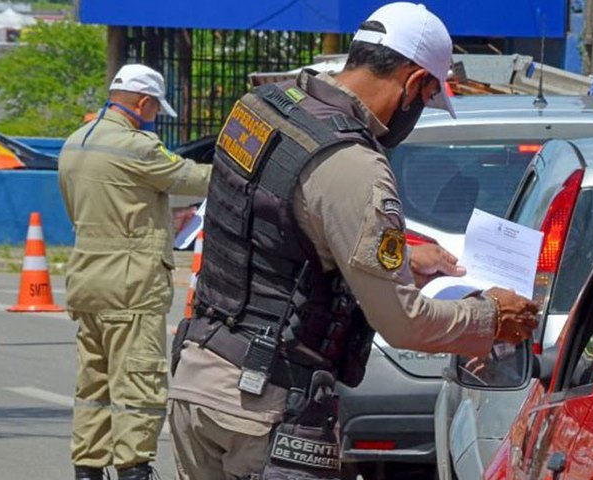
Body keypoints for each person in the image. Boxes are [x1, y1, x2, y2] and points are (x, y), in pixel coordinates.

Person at [168, 3, 538, 479]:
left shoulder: (262, 109)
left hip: (198, 381)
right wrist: (491, 318)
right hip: (263, 411)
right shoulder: (353, 163)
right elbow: (403, 324)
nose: (418, 112)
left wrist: (401, 256)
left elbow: (274, 236)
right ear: (414, 83)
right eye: (426, 99)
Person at [58, 64, 213, 480]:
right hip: (130, 286)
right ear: (143, 103)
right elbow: (194, 179)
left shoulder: (76, 143)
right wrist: (242, 168)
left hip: (87, 281)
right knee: (138, 385)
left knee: (93, 386)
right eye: (154, 108)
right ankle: (133, 470)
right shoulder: (138, 147)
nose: (154, 115)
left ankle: (88, 469)